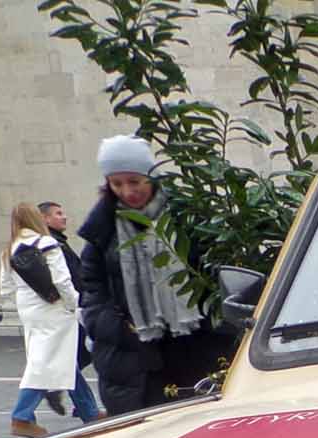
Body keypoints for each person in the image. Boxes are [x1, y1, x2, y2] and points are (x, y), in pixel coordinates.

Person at [77, 135, 234, 415]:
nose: (127, 191)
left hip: (193, 347)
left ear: (151, 176)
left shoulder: (187, 217)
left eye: (134, 181)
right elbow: (91, 287)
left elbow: (216, 273)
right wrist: (114, 326)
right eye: (117, 183)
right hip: (130, 356)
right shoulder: (102, 230)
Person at [0, 201, 101, 438]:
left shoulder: (9, 249)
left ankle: (89, 410)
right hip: (53, 310)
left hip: (29, 311)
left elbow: (6, 288)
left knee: (61, 359)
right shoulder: (46, 243)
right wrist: (75, 304)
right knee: (45, 362)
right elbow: (62, 281)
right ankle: (21, 416)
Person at [37, 200, 86, 416]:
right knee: (74, 354)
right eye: (58, 213)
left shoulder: (58, 241)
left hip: (74, 303)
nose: (64, 216)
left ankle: (76, 401)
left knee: (77, 354)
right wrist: (75, 303)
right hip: (71, 305)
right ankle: (81, 405)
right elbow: (64, 279)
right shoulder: (51, 244)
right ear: (45, 219)